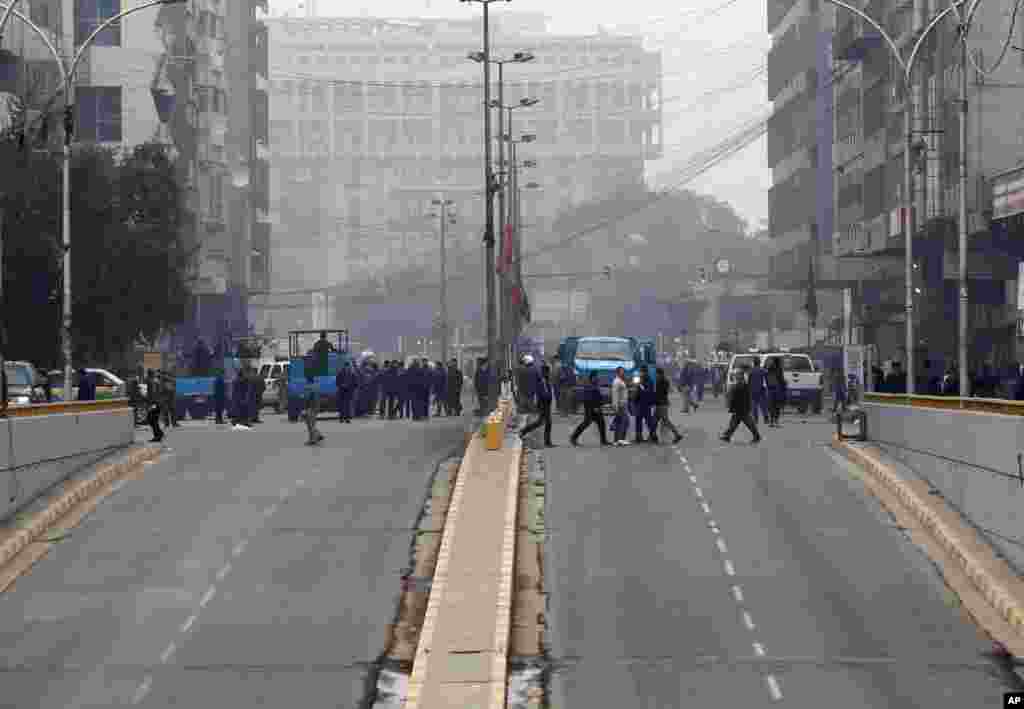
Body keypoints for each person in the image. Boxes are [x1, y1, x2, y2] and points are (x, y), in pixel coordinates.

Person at [520, 362, 556, 447]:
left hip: (545, 403)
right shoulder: (542, 381)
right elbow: (543, 393)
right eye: (548, 372)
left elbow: (547, 392)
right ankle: (547, 442)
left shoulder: (546, 380)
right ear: (545, 372)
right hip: (543, 403)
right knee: (547, 422)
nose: (549, 373)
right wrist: (547, 398)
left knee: (540, 422)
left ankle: (523, 431)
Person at [721, 368, 760, 444]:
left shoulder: (740, 385)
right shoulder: (741, 384)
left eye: (736, 375)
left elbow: (735, 397)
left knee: (745, 423)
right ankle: (727, 435)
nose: (735, 376)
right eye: (735, 375)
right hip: (741, 408)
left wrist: (730, 405)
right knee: (735, 423)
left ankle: (757, 436)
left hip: (741, 408)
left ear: (740, 375)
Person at [570, 372, 609, 447]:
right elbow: (589, 399)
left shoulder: (595, 385)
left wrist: (601, 404)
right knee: (586, 423)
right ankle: (573, 438)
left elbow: (598, 397)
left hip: (596, 408)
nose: (598, 378)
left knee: (601, 423)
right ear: (592, 378)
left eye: (598, 377)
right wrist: (595, 407)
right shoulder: (589, 386)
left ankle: (603, 440)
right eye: (596, 377)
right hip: (591, 409)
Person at [653, 367, 684, 444]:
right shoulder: (662, 380)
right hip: (661, 403)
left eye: (656, 374)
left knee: (665, 421)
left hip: (661, 404)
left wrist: (654, 399)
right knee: (655, 421)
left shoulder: (662, 381)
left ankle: (677, 434)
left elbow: (660, 393)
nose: (655, 375)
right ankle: (653, 436)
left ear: (659, 374)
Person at [633, 364, 657, 443]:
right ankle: (639, 437)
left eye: (641, 372)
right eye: (640, 372)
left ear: (645, 372)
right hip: (640, 403)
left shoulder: (648, 380)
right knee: (639, 421)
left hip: (645, 404)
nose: (640, 373)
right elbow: (638, 391)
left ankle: (653, 436)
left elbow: (646, 391)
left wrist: (640, 385)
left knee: (648, 421)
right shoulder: (642, 379)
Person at [610, 366, 631, 446]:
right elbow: (615, 394)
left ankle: (617, 440)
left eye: (623, 371)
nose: (623, 373)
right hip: (620, 405)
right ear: (618, 372)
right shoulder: (617, 381)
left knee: (620, 422)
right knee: (624, 422)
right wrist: (615, 406)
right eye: (622, 371)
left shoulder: (621, 381)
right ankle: (620, 439)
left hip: (623, 404)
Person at [303, 371, 324, 445]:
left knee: (310, 424)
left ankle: (313, 438)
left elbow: (307, 398)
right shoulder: (316, 386)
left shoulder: (307, 387)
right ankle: (317, 436)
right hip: (316, 407)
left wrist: (305, 408)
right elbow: (318, 397)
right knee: (312, 423)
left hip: (310, 407)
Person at [765, 357, 786, 427]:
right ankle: (776, 422)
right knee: (777, 406)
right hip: (778, 390)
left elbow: (766, 379)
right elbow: (781, 379)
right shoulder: (779, 369)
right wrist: (785, 384)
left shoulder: (769, 369)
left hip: (770, 390)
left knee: (771, 406)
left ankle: (771, 422)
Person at [748, 359, 769, 424]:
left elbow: (749, 382)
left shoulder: (751, 371)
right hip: (761, 390)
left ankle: (755, 419)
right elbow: (767, 379)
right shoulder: (763, 370)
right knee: (763, 405)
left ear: (754, 363)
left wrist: (749, 389)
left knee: (754, 406)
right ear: (759, 363)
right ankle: (766, 418)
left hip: (753, 390)